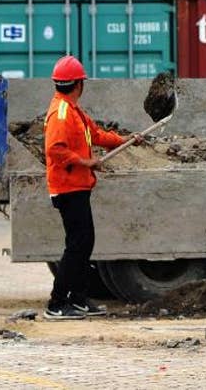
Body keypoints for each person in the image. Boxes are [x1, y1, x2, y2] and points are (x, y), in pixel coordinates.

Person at [42, 54, 138, 320]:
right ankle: (57, 303)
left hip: (78, 186)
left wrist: (123, 140)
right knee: (77, 245)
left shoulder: (74, 111)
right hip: (67, 188)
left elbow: (95, 135)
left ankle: (79, 298)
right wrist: (86, 162)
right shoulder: (62, 113)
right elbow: (54, 149)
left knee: (84, 244)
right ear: (79, 84)